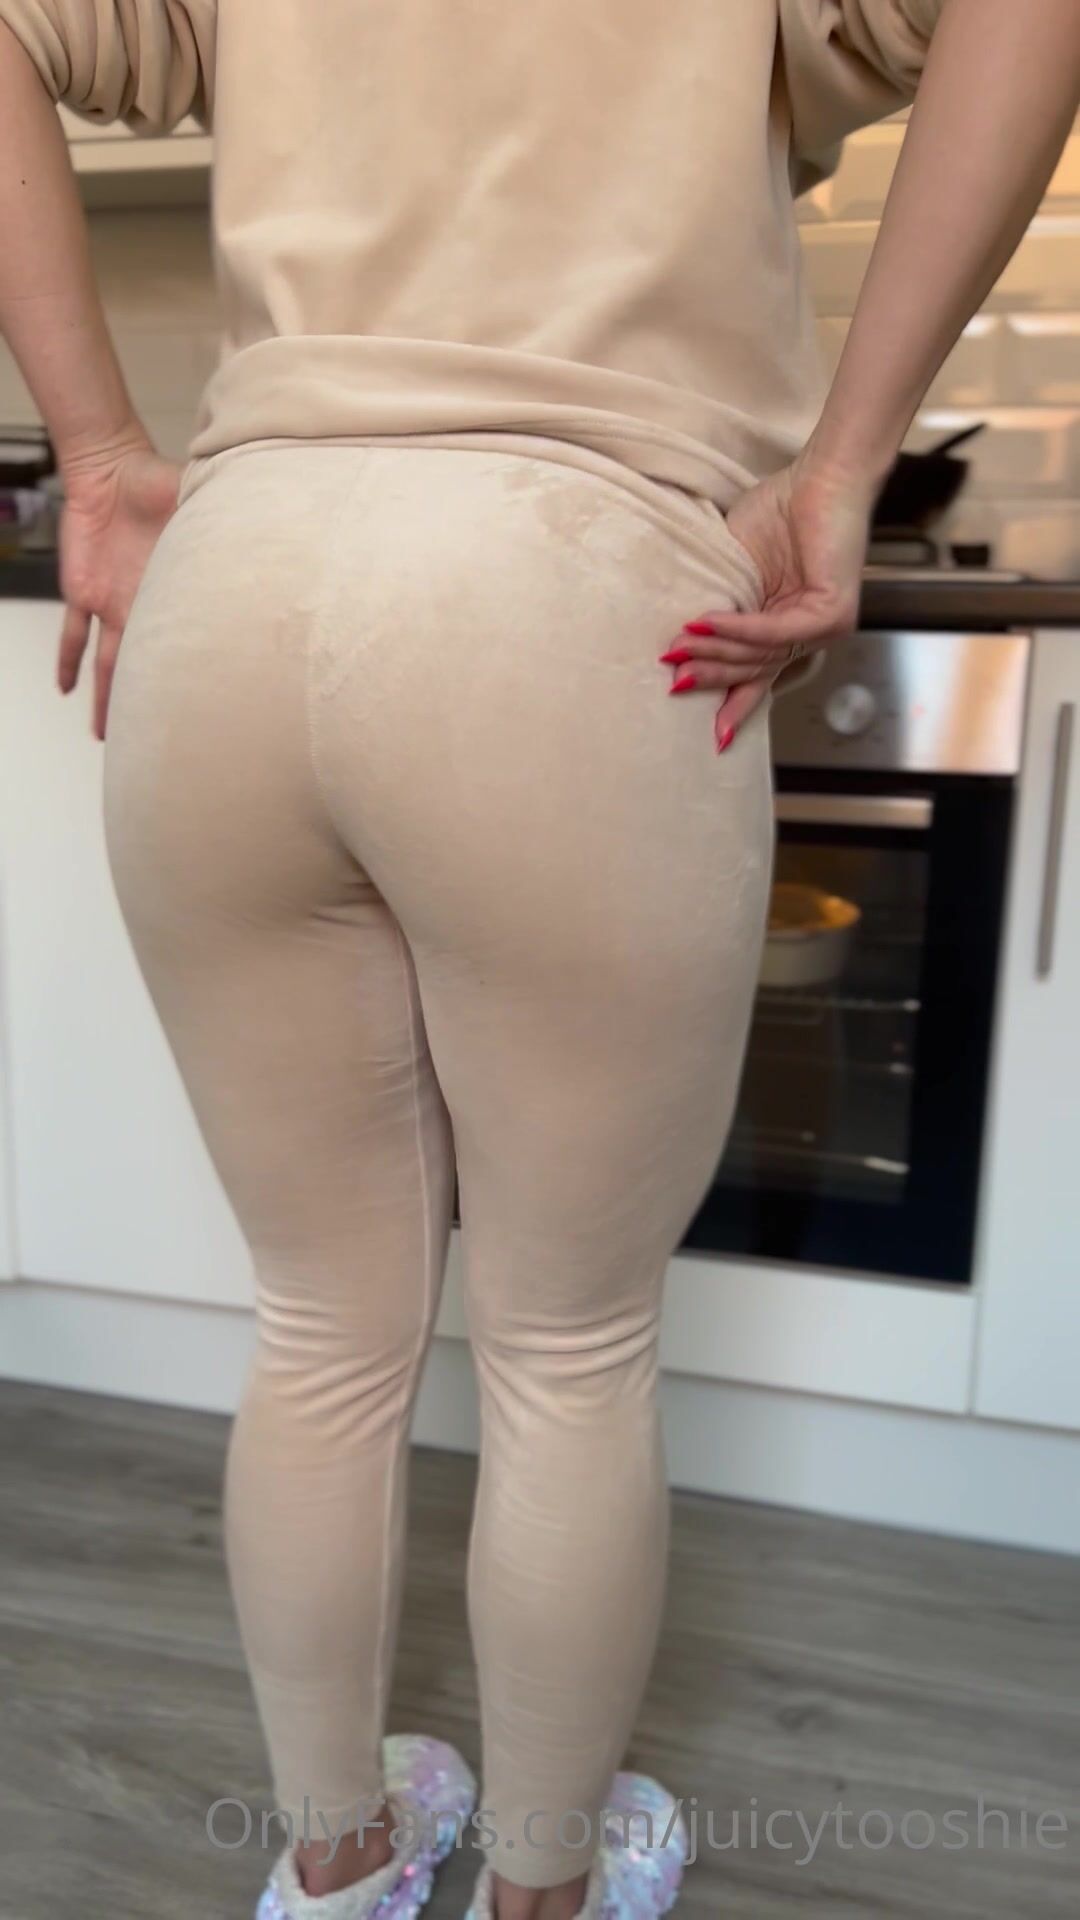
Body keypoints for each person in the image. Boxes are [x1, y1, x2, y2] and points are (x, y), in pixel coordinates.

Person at [1, 3, 1077, 1917]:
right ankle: (545, 1893)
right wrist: (843, 464)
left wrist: (97, 452)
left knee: (321, 1324)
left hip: (236, 592)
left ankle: (336, 1867)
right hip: (570, 588)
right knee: (569, 1350)